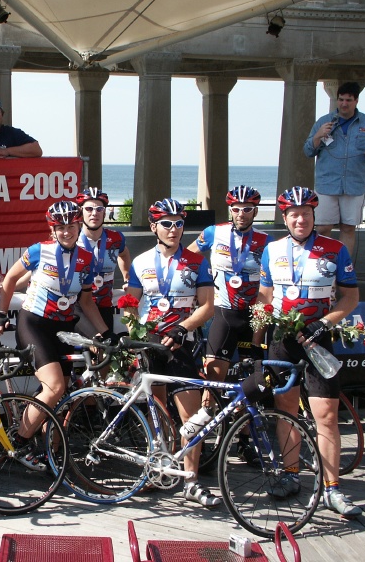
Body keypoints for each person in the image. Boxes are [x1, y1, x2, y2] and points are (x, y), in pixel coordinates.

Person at [254, 186, 362, 518]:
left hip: (317, 339)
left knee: (326, 415)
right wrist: (255, 342)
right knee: (285, 410)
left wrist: (325, 323)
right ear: (284, 217)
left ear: (314, 216)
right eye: (293, 214)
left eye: (306, 213)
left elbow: (350, 297)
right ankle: (290, 475)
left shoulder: (335, 249)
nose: (300, 219)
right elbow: (264, 297)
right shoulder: (272, 250)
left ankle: (332, 488)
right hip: (282, 339)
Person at [0, 201, 112, 470]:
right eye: (60, 227)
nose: (66, 232)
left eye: (71, 226)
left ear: (78, 226)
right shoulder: (39, 250)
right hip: (34, 323)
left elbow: (86, 302)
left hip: (63, 328)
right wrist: (1, 314)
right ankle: (19, 443)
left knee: (61, 393)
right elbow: (9, 280)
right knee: (55, 387)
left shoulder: (87, 259)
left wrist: (104, 333)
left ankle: (50, 454)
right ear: (52, 229)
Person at [123, 199, 218, 508]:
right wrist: (136, 334)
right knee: (158, 414)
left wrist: (182, 327)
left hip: (182, 344)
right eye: (166, 223)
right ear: (154, 227)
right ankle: (158, 470)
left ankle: (191, 481)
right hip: (152, 345)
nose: (174, 229)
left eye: (179, 224)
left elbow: (207, 306)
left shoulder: (197, 261)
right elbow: (129, 305)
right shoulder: (140, 262)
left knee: (191, 417)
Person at [187, 186, 269, 406]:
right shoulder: (213, 232)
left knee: (252, 386)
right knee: (213, 383)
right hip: (223, 313)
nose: (241, 214)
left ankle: (244, 427)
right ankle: (207, 419)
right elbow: (186, 258)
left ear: (255, 211)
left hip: (253, 318)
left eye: (247, 209)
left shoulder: (266, 241)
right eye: (236, 209)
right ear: (230, 210)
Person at [303, 81, 365, 257]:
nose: (344, 104)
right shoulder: (324, 121)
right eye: (341, 99)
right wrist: (318, 135)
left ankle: (344, 267)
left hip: (354, 185)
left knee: (348, 228)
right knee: (323, 227)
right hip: (327, 184)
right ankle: (321, 265)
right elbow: (308, 151)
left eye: (348, 100)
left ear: (356, 101)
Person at [73, 188, 131, 338]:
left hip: (104, 304)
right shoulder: (72, 239)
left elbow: (124, 254)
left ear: (105, 212)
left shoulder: (116, 238)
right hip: (77, 305)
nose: (94, 213)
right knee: (96, 344)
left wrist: (127, 278)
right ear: (81, 211)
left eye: (99, 209)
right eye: (89, 209)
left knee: (107, 348)